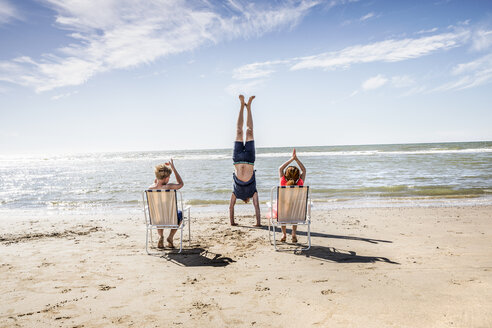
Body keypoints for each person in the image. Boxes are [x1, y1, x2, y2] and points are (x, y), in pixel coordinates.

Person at [229, 95, 261, 227]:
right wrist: (258, 223)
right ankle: (249, 107)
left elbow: (231, 207)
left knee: (239, 132)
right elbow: (257, 206)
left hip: (237, 158)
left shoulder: (236, 193)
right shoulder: (253, 192)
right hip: (249, 159)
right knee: (249, 131)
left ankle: (242, 105)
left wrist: (232, 223)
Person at [148, 159, 184, 248]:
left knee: (158, 213)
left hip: (156, 218)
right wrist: (173, 168)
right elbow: (181, 183)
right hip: (171, 218)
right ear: (167, 178)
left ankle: (161, 236)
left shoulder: (150, 188)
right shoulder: (169, 187)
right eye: (169, 177)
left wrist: (159, 177)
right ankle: (170, 237)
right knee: (179, 213)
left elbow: (156, 182)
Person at [278, 148, 306, 243]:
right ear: (298, 176)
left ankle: (284, 234)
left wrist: (291, 159)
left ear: (285, 175)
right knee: (295, 209)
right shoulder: (300, 182)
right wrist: (296, 159)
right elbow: (304, 170)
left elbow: (280, 168)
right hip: (297, 212)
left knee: (281, 209)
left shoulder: (283, 182)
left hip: (283, 212)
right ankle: (293, 233)